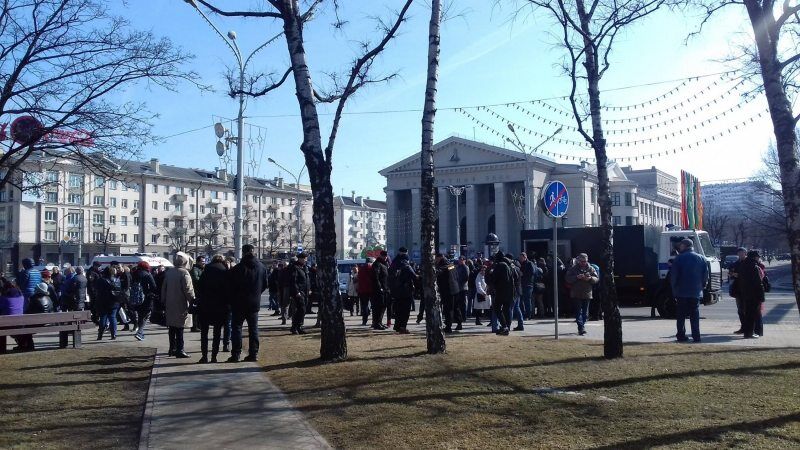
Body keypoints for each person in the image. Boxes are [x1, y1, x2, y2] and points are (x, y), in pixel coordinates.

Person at [228, 245, 268, 362]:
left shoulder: (238, 268)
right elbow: (265, 284)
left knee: (236, 328)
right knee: (253, 329)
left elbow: (231, 286)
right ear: (253, 252)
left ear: (243, 252)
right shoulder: (261, 267)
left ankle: (236, 354)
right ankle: (253, 353)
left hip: (239, 302)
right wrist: (256, 293)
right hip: (254, 302)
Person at [670, 239, 708, 343]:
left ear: (685, 246)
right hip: (695, 292)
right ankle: (696, 336)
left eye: (681, 245)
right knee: (694, 315)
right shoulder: (701, 258)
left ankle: (681, 336)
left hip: (682, 292)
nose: (680, 247)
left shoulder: (679, 258)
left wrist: (674, 291)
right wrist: (701, 288)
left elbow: (674, 277)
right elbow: (705, 276)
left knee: (681, 315)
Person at [197, 255, 231, 363]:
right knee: (217, 333)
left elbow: (199, 287)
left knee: (204, 333)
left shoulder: (206, 270)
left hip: (205, 305)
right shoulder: (225, 272)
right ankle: (214, 357)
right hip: (220, 306)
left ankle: (204, 356)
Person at [161, 252, 195, 358]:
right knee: (180, 327)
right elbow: (188, 290)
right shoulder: (184, 273)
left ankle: (172, 348)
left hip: (169, 303)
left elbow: (164, 288)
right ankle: (180, 349)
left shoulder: (169, 272)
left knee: (171, 327)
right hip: (181, 303)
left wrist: (164, 300)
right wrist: (193, 300)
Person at [565, 253, 599, 336]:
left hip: (587, 293)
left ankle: (582, 325)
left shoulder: (591, 268)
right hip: (576, 293)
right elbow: (567, 279)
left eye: (585, 261)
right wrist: (577, 277)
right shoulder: (573, 269)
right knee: (578, 311)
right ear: (578, 261)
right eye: (582, 261)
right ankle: (581, 327)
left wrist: (590, 278)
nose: (584, 263)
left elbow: (596, 279)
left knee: (585, 313)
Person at [738, 250, 766, 339]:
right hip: (754, 294)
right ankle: (749, 333)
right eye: (757, 257)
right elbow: (758, 283)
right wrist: (762, 296)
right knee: (752, 314)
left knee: (748, 314)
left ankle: (749, 332)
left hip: (746, 293)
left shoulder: (743, 265)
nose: (758, 258)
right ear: (754, 257)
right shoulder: (754, 266)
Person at [388, 251, 417, 333]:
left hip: (396, 292)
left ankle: (397, 326)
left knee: (398, 310)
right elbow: (414, 276)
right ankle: (403, 327)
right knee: (405, 311)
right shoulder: (407, 266)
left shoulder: (393, 265)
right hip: (406, 291)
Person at [486, 252, 514, 335]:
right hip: (510, 290)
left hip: (501, 290)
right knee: (506, 309)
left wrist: (491, 273)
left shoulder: (500, 265)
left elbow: (494, 278)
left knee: (497, 308)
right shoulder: (510, 265)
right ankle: (507, 327)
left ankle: (504, 326)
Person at [95, 266, 123, 341]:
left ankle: (100, 335)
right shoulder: (117, 280)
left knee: (103, 318)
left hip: (103, 301)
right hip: (114, 301)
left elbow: (97, 289)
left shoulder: (101, 280)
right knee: (113, 318)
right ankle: (113, 335)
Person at [131, 262, 157, 341]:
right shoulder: (147, 274)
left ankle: (141, 333)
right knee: (146, 315)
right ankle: (139, 332)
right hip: (146, 298)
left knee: (140, 315)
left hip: (135, 298)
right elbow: (153, 286)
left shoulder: (134, 274)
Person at [0, 279, 29, 351]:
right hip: (20, 323)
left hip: (6, 324)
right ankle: (22, 345)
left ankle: (2, 348)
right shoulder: (21, 297)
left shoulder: (3, 298)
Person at [727, 247, 748, 334]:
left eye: (742, 253)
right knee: (740, 310)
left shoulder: (748, 263)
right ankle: (743, 327)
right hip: (738, 289)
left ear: (745, 253)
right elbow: (731, 273)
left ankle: (749, 328)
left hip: (747, 289)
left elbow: (750, 275)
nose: (740, 255)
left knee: (747, 310)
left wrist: (739, 275)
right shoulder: (736, 263)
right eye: (739, 253)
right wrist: (731, 274)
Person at [289, 253, 310, 335]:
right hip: (299, 292)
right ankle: (295, 327)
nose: (306, 260)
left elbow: (307, 279)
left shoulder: (304, 267)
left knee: (303, 309)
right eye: (305, 259)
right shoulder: (295, 267)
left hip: (305, 291)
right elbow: (293, 281)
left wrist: (309, 289)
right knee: (302, 309)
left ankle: (298, 327)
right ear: (300, 259)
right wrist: (296, 291)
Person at [371, 251, 390, 330]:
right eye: (384, 256)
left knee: (383, 306)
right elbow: (376, 277)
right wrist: (379, 288)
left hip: (385, 288)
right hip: (379, 289)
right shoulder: (377, 264)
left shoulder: (384, 264)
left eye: (386, 256)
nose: (385, 257)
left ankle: (379, 322)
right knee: (378, 307)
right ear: (381, 256)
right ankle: (376, 323)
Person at [189, 256, 206, 332]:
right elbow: (196, 279)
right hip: (196, 292)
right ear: (198, 261)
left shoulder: (201, 269)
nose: (204, 262)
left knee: (200, 310)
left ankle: (199, 325)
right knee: (195, 310)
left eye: (204, 261)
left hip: (200, 291)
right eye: (202, 261)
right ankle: (194, 326)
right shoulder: (195, 269)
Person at [357, 258, 374, 326]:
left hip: (362, 290)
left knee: (364, 305)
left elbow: (359, 279)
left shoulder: (361, 269)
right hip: (372, 289)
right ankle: (374, 321)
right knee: (374, 306)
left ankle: (364, 321)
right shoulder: (372, 268)